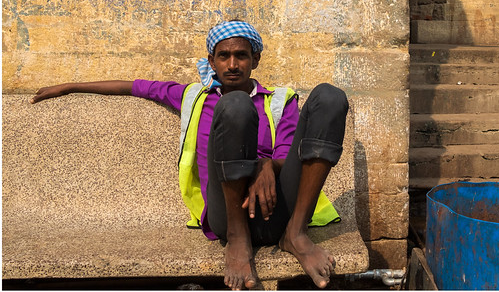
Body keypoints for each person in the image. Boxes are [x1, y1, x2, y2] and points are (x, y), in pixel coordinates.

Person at [30, 20, 349, 290]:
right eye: (224, 56)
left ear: (256, 59)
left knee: (330, 97)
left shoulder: (278, 100)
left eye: (241, 55)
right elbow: (134, 86)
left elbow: (286, 154)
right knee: (234, 105)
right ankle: (238, 241)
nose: (233, 64)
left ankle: (295, 234)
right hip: (229, 210)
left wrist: (267, 164)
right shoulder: (193, 96)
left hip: (279, 206)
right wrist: (69, 86)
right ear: (212, 62)